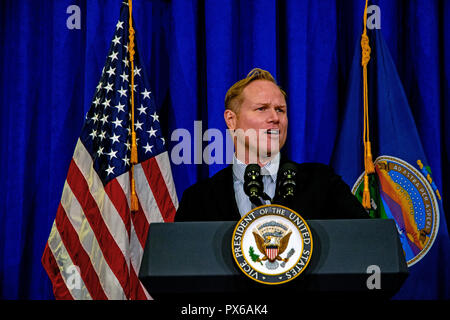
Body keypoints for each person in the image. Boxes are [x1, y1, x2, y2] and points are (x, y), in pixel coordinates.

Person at [175, 68, 368, 221]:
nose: (275, 118)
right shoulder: (198, 199)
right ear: (231, 120)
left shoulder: (323, 184)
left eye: (280, 110)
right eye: (262, 109)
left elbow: (367, 242)